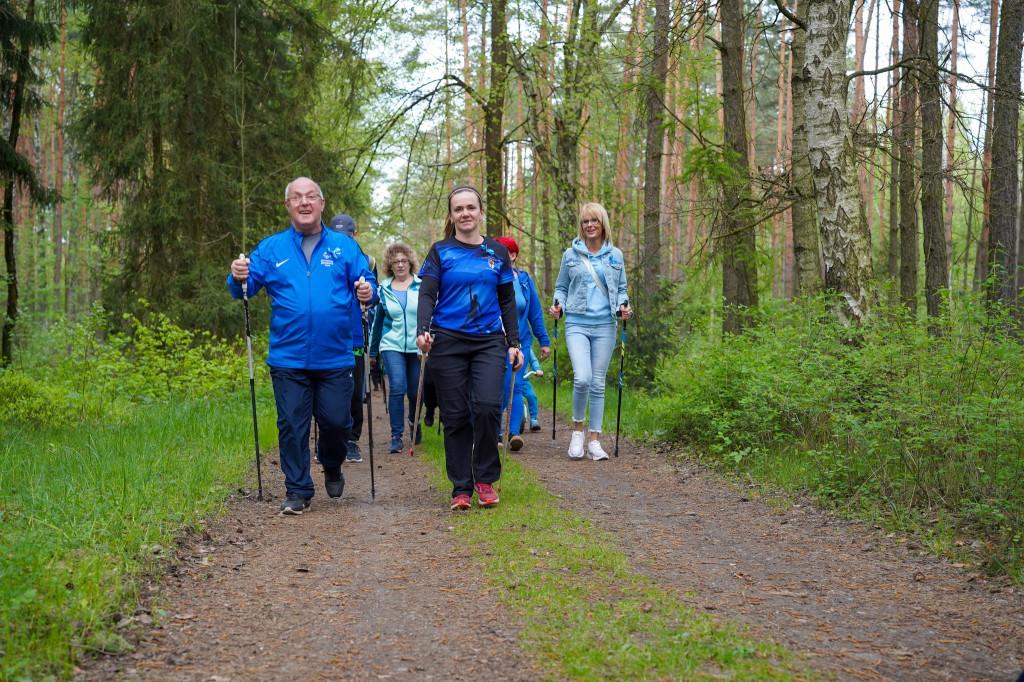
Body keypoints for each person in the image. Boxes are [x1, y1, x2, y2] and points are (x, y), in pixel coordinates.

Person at [228, 177, 377, 514]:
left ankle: (332, 461)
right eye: (297, 198)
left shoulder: (345, 247)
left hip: (335, 356)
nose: (304, 202)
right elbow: (244, 290)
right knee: (292, 425)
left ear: (322, 204)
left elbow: (367, 286)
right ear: (288, 206)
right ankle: (297, 490)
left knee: (338, 422)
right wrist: (237, 276)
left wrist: (368, 292)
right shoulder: (271, 248)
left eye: (311, 196)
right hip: (288, 357)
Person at [416, 186, 523, 510]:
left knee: (489, 406)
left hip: (490, 340)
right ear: (451, 215)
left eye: (471, 207)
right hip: (447, 340)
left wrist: (514, 343)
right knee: (456, 414)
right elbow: (427, 294)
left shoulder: (497, 253)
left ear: (480, 212)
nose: (465, 213)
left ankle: (485, 479)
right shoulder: (440, 251)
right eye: (458, 208)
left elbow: (507, 300)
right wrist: (422, 330)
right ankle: (461, 487)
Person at [549, 202, 632, 461]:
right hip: (576, 323)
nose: (589, 225)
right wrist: (557, 305)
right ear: (581, 226)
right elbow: (561, 286)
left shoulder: (615, 255)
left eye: (594, 220)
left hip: (606, 324)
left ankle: (594, 440)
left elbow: (622, 289)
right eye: (585, 221)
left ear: (603, 223)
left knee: (598, 383)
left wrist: (624, 307)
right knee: (582, 378)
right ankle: (577, 432)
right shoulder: (570, 255)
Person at [328, 213, 378, 464]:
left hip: (356, 335)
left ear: (354, 235)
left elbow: (374, 294)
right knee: (329, 394)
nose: (340, 240)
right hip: (328, 336)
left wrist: (368, 292)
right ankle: (330, 441)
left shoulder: (366, 261)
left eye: (345, 236)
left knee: (355, 391)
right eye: (335, 235)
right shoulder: (321, 258)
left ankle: (352, 440)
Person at [494, 236, 549, 452]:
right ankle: (496, 432)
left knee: (514, 386)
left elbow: (534, 312)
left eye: (504, 252)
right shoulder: (489, 277)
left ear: (514, 255)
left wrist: (543, 340)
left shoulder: (524, 281)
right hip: (492, 342)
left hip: (520, 342)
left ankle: (513, 433)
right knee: (496, 388)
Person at [369, 242, 423, 454]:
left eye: (403, 261)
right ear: (390, 266)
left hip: (418, 346)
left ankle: (414, 420)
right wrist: (373, 352)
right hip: (391, 345)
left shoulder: (422, 286)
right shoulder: (384, 289)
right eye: (395, 262)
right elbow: (378, 324)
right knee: (397, 387)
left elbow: (431, 317)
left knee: (414, 392)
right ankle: (396, 436)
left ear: (410, 263)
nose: (400, 265)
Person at [522, 350, 543, 431]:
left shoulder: (526, 347)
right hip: (508, 380)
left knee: (532, 396)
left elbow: (533, 360)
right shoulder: (506, 345)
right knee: (502, 399)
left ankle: (533, 419)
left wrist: (537, 369)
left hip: (523, 379)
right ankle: (497, 419)